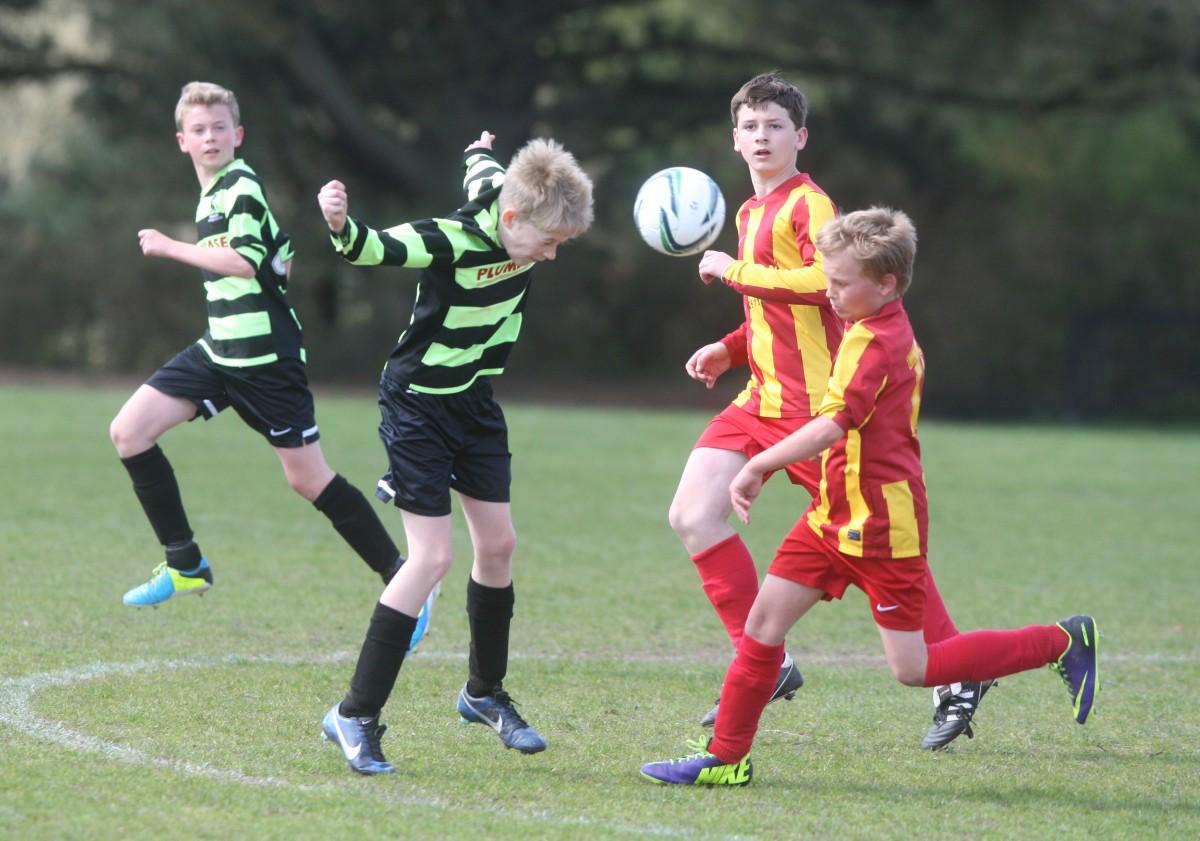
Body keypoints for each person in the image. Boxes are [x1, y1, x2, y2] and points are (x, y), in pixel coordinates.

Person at [642, 207, 1099, 786]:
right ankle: (726, 759)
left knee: (915, 667)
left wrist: (758, 463)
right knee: (761, 627)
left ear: (886, 284)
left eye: (838, 284)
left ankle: (1061, 640)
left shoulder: (875, 344)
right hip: (830, 515)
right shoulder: (866, 322)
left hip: (882, 524)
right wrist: (737, 351)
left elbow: (831, 426)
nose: (828, 293)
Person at [670, 72, 985, 748]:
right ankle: (768, 660)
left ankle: (957, 672)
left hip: (819, 408)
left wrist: (730, 271)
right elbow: (771, 309)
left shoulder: (808, 204)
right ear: (734, 138)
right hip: (761, 397)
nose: (762, 136)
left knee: (877, 543)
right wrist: (731, 347)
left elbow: (823, 283)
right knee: (692, 513)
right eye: (750, 127)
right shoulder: (750, 212)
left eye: (775, 126)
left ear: (800, 136)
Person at [317, 131, 594, 775]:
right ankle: (353, 715)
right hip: (416, 404)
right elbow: (375, 248)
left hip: (473, 400)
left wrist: (476, 146)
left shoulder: (508, 196)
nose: (550, 257)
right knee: (432, 558)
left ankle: (483, 693)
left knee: (497, 547)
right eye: (548, 243)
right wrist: (339, 223)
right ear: (512, 218)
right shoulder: (454, 237)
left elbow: (482, 169)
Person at [110, 82, 417, 622]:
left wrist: (168, 245)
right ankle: (185, 563)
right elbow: (277, 255)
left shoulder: (241, 184)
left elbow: (246, 259)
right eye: (199, 131)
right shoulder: (214, 193)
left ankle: (404, 580)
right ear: (182, 141)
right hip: (220, 352)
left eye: (220, 128)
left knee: (308, 479)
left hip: (266, 361)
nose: (210, 138)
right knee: (129, 432)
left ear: (238, 135)